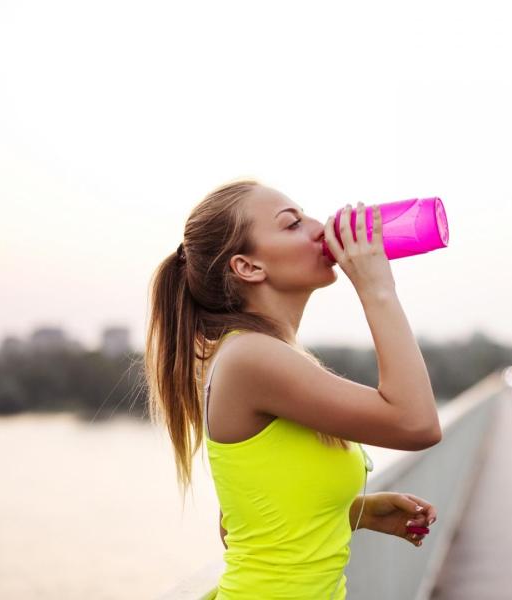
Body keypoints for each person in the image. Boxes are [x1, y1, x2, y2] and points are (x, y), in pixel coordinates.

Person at [144, 180, 442, 599]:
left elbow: (243, 521)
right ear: (248, 267)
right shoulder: (251, 358)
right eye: (292, 224)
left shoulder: (258, 355)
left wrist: (355, 512)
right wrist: (377, 288)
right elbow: (416, 423)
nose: (321, 229)